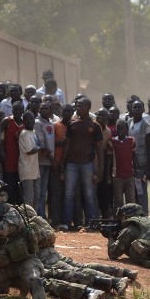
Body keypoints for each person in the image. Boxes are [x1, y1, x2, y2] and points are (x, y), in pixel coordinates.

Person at [20, 205, 133, 297]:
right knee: (81, 266)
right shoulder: (38, 221)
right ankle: (122, 273)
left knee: (75, 272)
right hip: (52, 252)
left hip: (45, 257)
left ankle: (115, 281)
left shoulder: (27, 226)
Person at [60, 97, 103, 231]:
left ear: (88, 108)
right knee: (68, 194)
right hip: (72, 164)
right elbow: (67, 145)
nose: (78, 108)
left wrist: (100, 169)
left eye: (81, 106)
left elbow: (99, 149)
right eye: (77, 106)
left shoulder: (95, 126)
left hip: (87, 164)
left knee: (89, 194)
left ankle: (92, 223)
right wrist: (63, 164)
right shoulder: (71, 124)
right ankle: (67, 223)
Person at [128, 100, 150, 215]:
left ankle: (144, 215)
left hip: (141, 164)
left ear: (143, 110)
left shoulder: (146, 126)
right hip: (129, 163)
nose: (136, 110)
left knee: (141, 191)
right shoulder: (128, 123)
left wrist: (149, 168)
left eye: (139, 108)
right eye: (134, 108)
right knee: (132, 191)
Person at [108, 119, 137, 211]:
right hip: (117, 176)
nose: (120, 130)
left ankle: (132, 220)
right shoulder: (112, 142)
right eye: (118, 128)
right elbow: (109, 160)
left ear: (127, 129)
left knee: (131, 200)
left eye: (122, 128)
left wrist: (136, 170)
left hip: (129, 175)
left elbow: (134, 157)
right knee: (118, 200)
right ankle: (118, 220)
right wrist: (108, 174)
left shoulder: (131, 141)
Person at [0, 100, 25, 205]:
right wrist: (2, 154)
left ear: (23, 110)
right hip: (9, 159)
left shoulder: (25, 123)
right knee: (10, 187)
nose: (18, 111)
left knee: (20, 188)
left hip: (22, 160)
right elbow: (0, 140)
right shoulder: (6, 121)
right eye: (16, 109)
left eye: (20, 109)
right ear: (12, 110)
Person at [34, 99, 55, 219]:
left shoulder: (50, 123)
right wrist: (53, 160)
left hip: (48, 162)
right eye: (41, 108)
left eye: (46, 108)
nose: (43, 110)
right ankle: (40, 216)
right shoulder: (38, 123)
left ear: (50, 110)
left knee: (43, 193)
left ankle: (42, 216)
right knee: (38, 192)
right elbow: (41, 144)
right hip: (41, 161)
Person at [95, 108, 113, 219]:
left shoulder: (108, 132)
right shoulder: (92, 127)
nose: (100, 117)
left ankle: (105, 215)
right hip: (91, 161)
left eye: (103, 115)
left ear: (107, 118)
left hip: (104, 163)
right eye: (98, 114)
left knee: (104, 190)